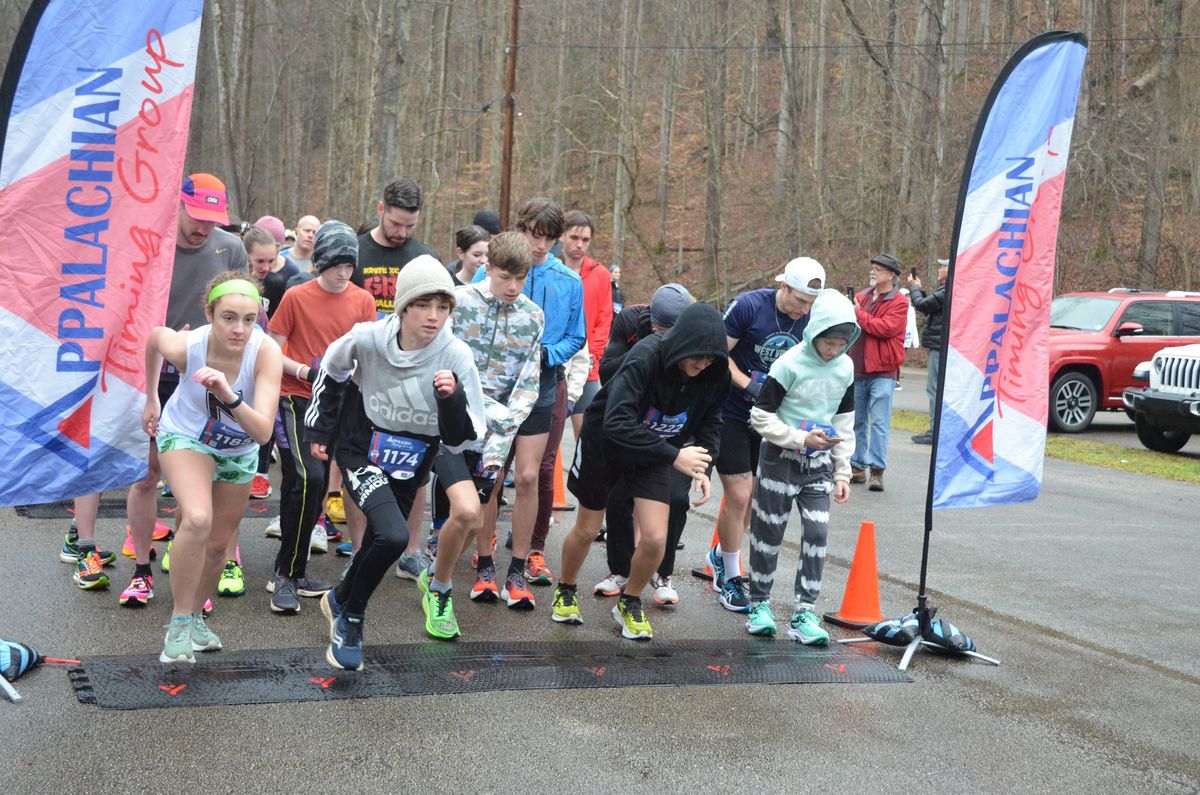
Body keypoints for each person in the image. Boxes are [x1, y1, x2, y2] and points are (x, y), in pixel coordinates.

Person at [308, 258, 486, 670]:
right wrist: (319, 431)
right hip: (362, 445)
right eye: (424, 306)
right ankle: (350, 619)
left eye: (443, 308)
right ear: (404, 306)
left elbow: (466, 434)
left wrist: (451, 399)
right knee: (391, 536)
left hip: (414, 457)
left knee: (379, 540)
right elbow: (330, 371)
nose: (434, 317)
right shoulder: (368, 339)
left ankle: (338, 599)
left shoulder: (456, 354)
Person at [550, 302, 730, 640]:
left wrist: (704, 467)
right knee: (588, 528)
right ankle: (566, 588)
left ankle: (630, 602)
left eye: (710, 359)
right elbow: (617, 420)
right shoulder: (646, 357)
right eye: (697, 357)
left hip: (653, 451)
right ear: (682, 343)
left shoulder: (713, 374)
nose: (702, 365)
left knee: (655, 538)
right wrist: (674, 455)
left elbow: (710, 421)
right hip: (606, 444)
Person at [116, 173, 248, 608]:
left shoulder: (231, 248)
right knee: (148, 474)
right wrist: (172, 343)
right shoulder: (148, 242)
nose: (204, 227)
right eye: (197, 217)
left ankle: (190, 565)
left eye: (213, 220)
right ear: (179, 204)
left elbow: (245, 314)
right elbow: (123, 309)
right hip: (153, 366)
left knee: (206, 478)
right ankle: (141, 573)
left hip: (208, 375)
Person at [147, 273, 283, 662]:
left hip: (239, 447)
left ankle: (193, 618)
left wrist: (228, 395)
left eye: (248, 319)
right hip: (186, 435)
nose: (238, 329)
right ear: (209, 314)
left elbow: (260, 432)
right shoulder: (189, 345)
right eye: (228, 317)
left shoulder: (265, 352)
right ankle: (176, 624)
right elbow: (156, 337)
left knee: (220, 544)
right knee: (197, 518)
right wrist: (150, 399)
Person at [420, 231, 543, 638]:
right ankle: (450, 574)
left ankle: (492, 571)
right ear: (486, 267)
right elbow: (443, 359)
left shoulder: (532, 316)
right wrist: (474, 410)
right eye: (505, 276)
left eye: (520, 279)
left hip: (504, 424)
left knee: (486, 495)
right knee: (465, 505)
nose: (512, 287)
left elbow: (529, 377)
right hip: (457, 417)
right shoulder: (460, 303)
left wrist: (510, 419)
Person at [472, 198, 585, 601]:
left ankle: (519, 566)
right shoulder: (492, 272)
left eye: (549, 238)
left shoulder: (569, 281)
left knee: (529, 476)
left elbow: (577, 336)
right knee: (491, 474)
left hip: (542, 384)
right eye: (534, 235)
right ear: (520, 230)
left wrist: (545, 355)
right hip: (495, 388)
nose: (540, 246)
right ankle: (484, 561)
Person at [266, 221, 377, 614]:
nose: (343, 272)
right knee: (309, 476)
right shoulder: (295, 295)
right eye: (334, 265)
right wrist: (304, 372)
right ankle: (285, 573)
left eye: (349, 265)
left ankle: (293, 569)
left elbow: (367, 351)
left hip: (340, 403)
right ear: (318, 263)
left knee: (307, 483)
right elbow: (270, 351)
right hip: (296, 397)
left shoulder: (363, 301)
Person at [744, 289, 859, 643]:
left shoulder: (846, 367)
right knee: (768, 533)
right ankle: (759, 604)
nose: (833, 350)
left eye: (841, 344)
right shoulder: (789, 364)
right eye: (828, 343)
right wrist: (798, 438)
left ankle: (804, 613)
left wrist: (843, 471)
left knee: (818, 534)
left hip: (820, 464)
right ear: (814, 334)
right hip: (780, 459)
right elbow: (760, 417)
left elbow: (844, 420)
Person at [710, 257, 824, 613]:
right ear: (783, 287)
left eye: (810, 304)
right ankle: (730, 576)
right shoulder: (748, 307)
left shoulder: (810, 319)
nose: (803, 310)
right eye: (799, 301)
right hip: (731, 411)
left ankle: (721, 555)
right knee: (740, 495)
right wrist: (748, 384)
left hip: (774, 419)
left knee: (753, 497)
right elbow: (718, 354)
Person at [594, 283, 694, 606]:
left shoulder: (697, 338)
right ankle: (620, 569)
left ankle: (663, 572)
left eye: (672, 332)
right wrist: (644, 350)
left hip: (674, 424)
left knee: (678, 497)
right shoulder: (630, 322)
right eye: (660, 329)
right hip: (634, 421)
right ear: (651, 319)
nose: (666, 337)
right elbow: (607, 368)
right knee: (619, 494)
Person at [849, 253, 910, 492]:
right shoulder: (862, 296)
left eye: (878, 269)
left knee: (879, 423)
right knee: (857, 421)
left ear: (891, 275)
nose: (873, 272)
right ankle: (857, 466)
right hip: (858, 368)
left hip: (883, 371)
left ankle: (876, 471)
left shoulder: (899, 302)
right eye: (873, 268)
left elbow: (884, 328)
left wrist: (857, 313)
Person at [559, 210, 613, 439]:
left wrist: (594, 354)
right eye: (574, 237)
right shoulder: (549, 269)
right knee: (546, 436)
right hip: (554, 361)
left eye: (585, 240)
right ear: (561, 236)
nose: (579, 244)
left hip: (586, 364)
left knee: (587, 436)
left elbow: (604, 318)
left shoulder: (600, 274)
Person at [908, 258, 948, 444]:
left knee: (934, 390)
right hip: (941, 345)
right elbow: (928, 305)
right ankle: (938, 430)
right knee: (938, 390)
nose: (939, 269)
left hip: (940, 347)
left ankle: (935, 432)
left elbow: (922, 305)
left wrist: (914, 288)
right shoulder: (948, 289)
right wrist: (919, 290)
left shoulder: (947, 289)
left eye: (942, 266)